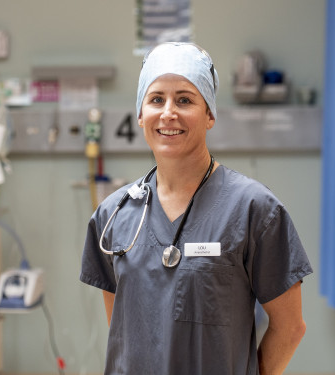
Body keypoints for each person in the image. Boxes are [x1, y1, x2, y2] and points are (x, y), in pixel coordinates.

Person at [80, 42, 313, 375]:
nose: (168, 112)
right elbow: (124, 332)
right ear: (141, 114)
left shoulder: (254, 210)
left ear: (210, 115)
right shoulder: (114, 215)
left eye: (185, 99)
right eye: (156, 99)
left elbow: (291, 328)